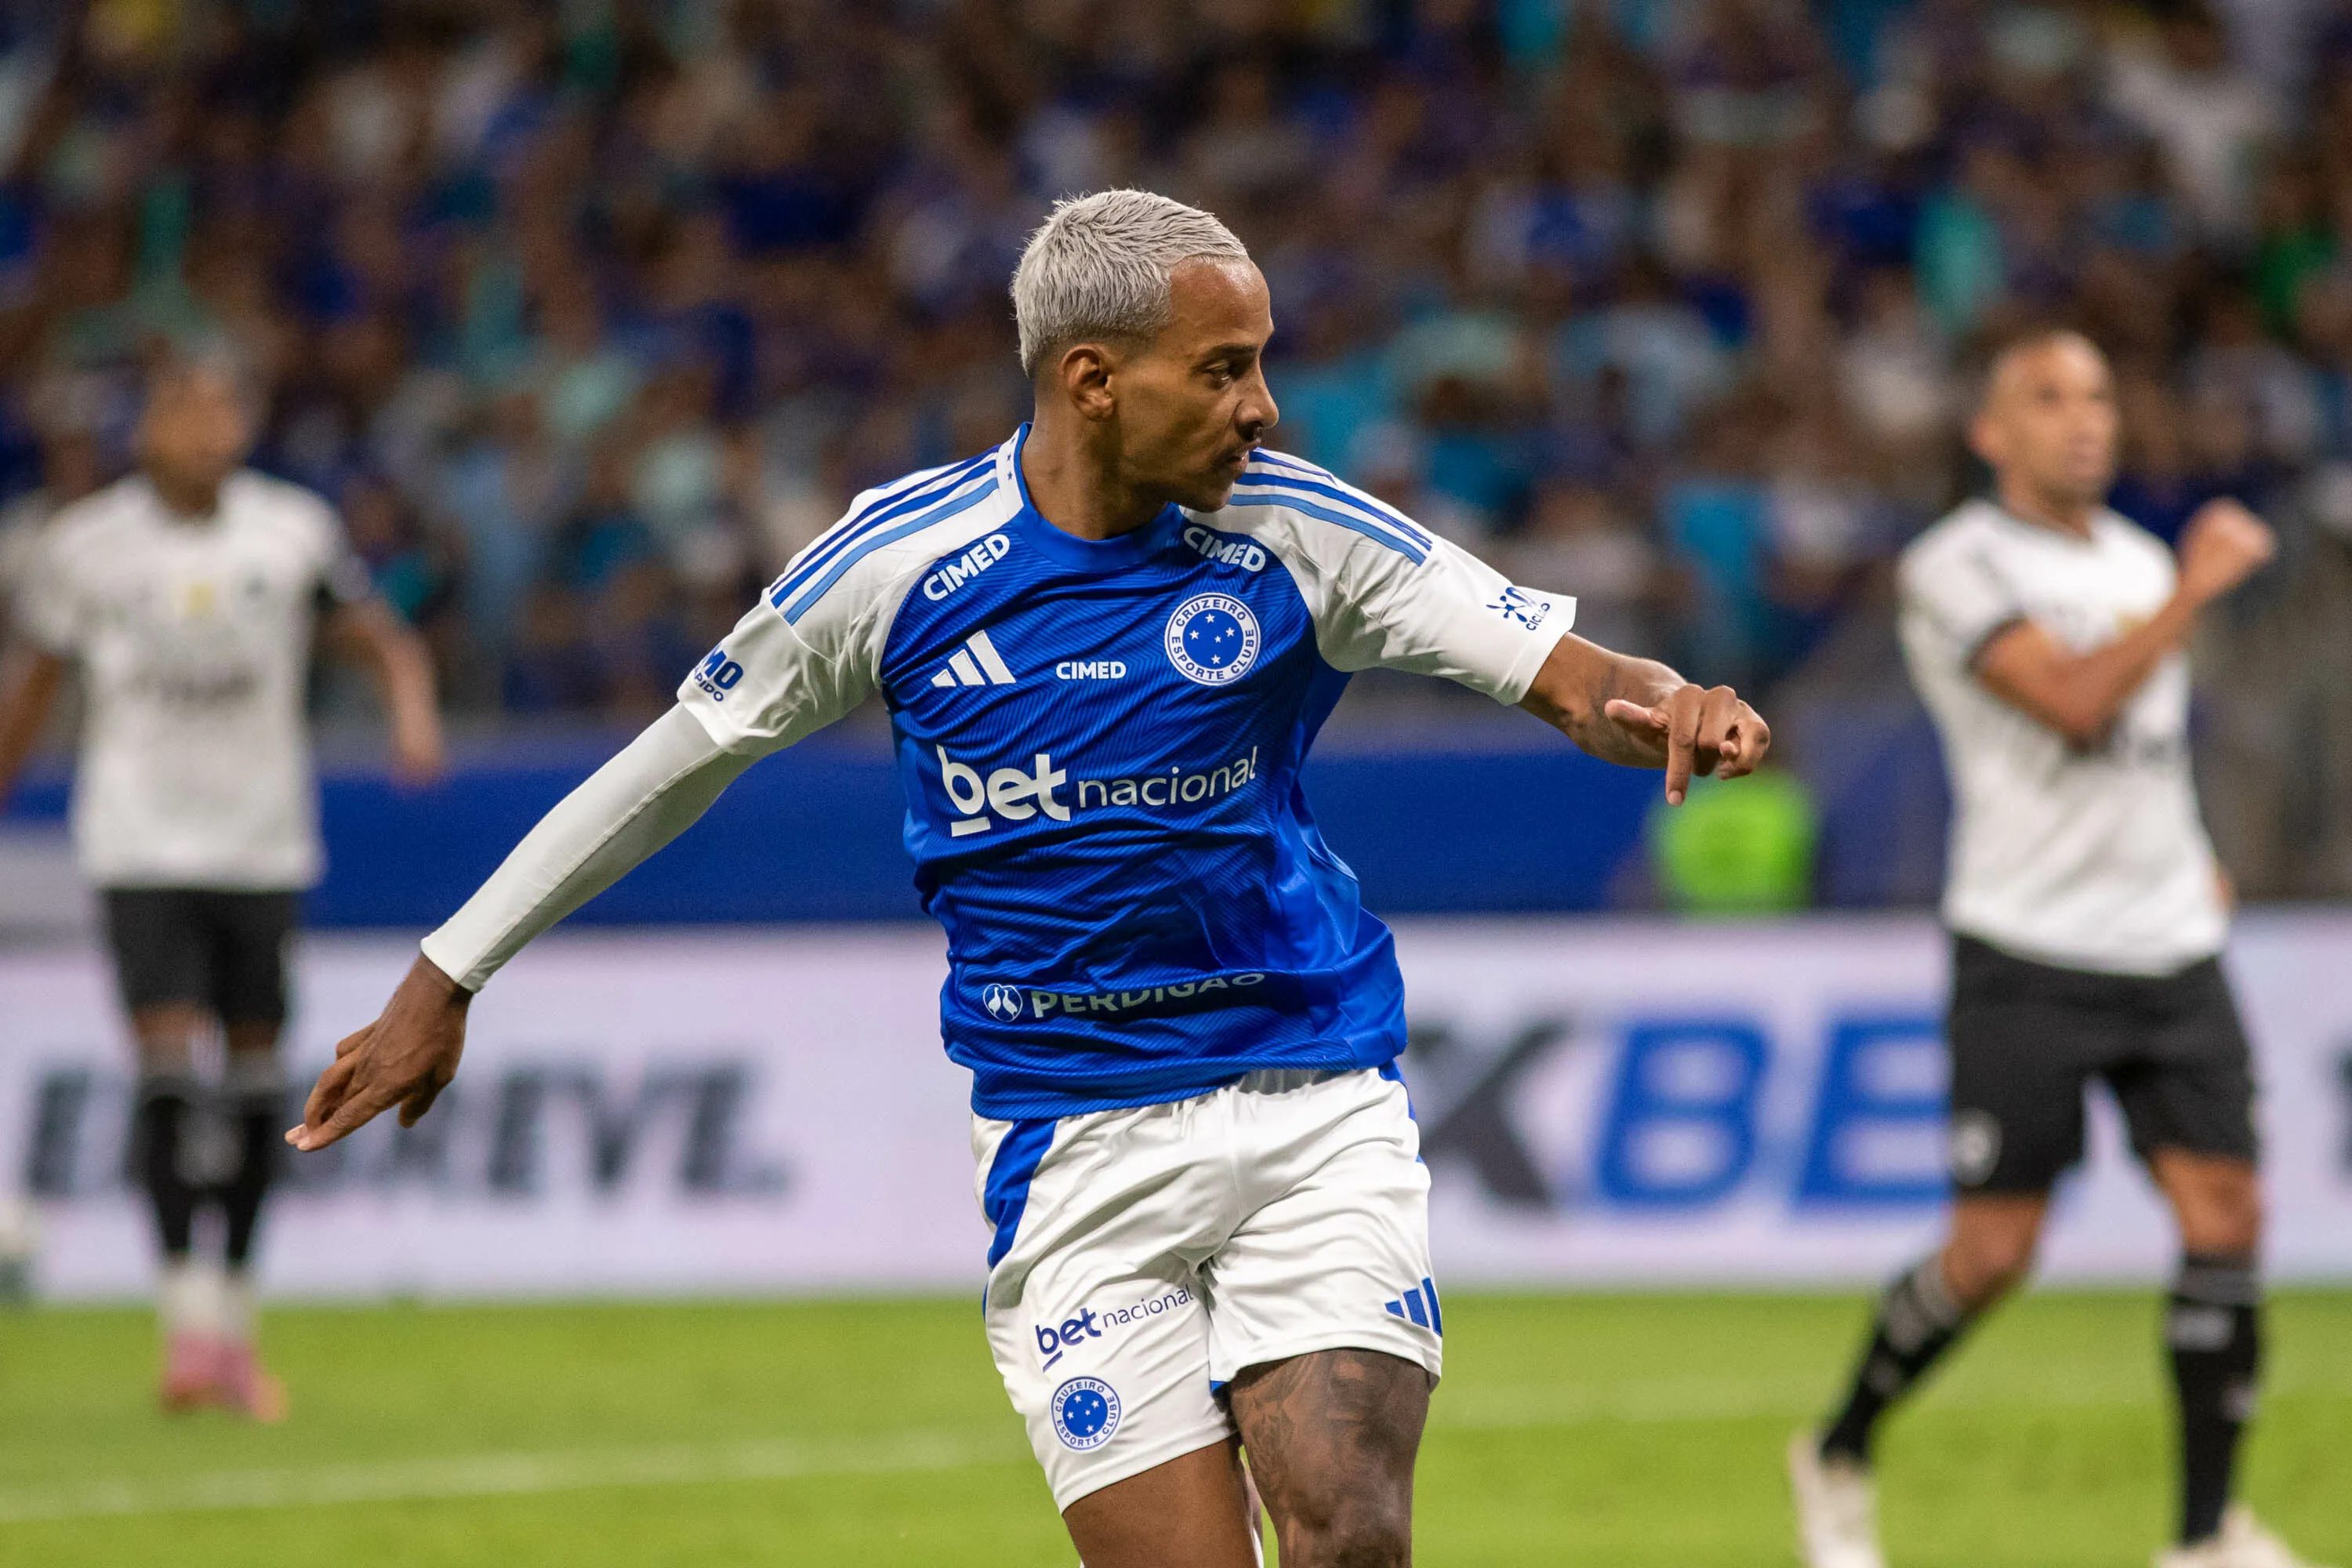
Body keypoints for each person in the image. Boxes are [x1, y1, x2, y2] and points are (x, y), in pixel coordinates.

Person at [285, 190, 1769, 1567]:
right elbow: (676, 763)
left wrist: (1666, 699)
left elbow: (1570, 675)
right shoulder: (900, 565)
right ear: (1092, 380)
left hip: (1310, 1103)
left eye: (1261, 366)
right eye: (1226, 368)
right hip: (1074, 1147)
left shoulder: (1300, 530)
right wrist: (447, 970)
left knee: (1351, 1535)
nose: (1263, 406)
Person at [1786, 329, 2328, 1568]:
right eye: (2049, 398)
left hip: (2172, 945)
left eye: (2098, 395)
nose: (2085, 419)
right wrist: (2196, 592)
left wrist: (2191, 849)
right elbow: (2076, 704)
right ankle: (1841, 1448)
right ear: (1991, 435)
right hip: (2030, 947)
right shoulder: (1958, 565)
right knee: (1995, 1251)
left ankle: (2202, 1538)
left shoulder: (2138, 558)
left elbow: (2147, 745)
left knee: (2227, 1209)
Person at [0, 350, 446, 1419]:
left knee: (257, 1091)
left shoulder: (291, 530)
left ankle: (234, 1325)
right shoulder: (84, 547)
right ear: (146, 425)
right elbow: (40, 681)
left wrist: (411, 700)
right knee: (165, 1073)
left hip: (262, 845)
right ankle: (185, 1323)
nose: (211, 429)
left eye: (226, 410)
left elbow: (372, 636)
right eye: (188, 410)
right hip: (141, 845)